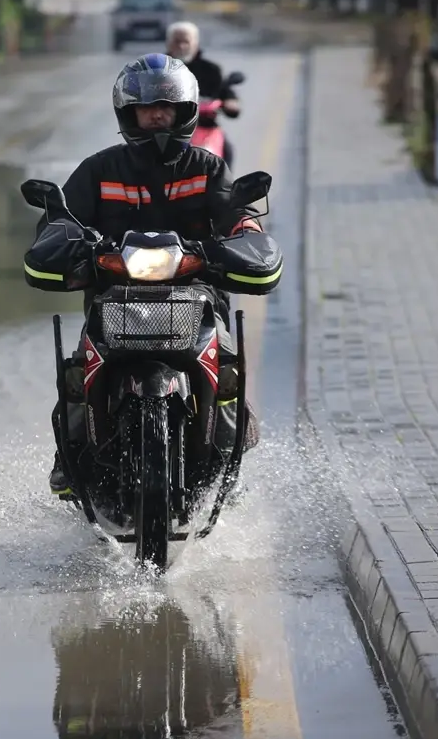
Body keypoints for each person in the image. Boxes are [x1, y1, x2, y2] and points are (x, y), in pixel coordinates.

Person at [22, 53, 282, 495]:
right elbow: (63, 220)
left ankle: (227, 455)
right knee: (78, 371)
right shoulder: (99, 169)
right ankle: (71, 458)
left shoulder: (207, 167)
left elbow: (236, 214)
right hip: (116, 295)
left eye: (167, 106)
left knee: (227, 363)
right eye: (147, 106)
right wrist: (61, 238)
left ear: (185, 111)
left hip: (195, 295)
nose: (157, 114)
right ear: (129, 112)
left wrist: (245, 233)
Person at [165, 21, 240, 168]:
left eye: (186, 41)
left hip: (205, 127)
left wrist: (231, 103)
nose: (181, 46)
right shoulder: (157, 68)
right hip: (166, 131)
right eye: (177, 41)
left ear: (195, 43)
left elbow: (225, 92)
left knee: (227, 151)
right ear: (169, 43)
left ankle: (225, 189)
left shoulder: (211, 70)